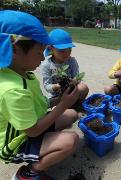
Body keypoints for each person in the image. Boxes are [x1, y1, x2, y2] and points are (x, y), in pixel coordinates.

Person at [0, 10, 81, 180]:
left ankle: (47, 146)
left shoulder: (23, 72)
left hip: (34, 122)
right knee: (71, 141)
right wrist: (63, 104)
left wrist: (60, 99)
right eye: (39, 52)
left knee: (72, 114)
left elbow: (41, 103)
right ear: (15, 49)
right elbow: (32, 131)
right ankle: (29, 172)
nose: (43, 59)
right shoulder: (13, 90)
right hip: (17, 142)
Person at [41, 28, 89, 110]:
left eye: (69, 50)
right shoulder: (47, 65)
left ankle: (77, 104)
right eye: (62, 51)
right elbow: (46, 86)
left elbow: (77, 76)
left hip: (72, 91)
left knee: (83, 88)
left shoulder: (71, 61)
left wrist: (75, 81)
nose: (67, 54)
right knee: (56, 111)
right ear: (51, 48)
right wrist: (55, 86)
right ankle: (66, 106)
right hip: (57, 96)